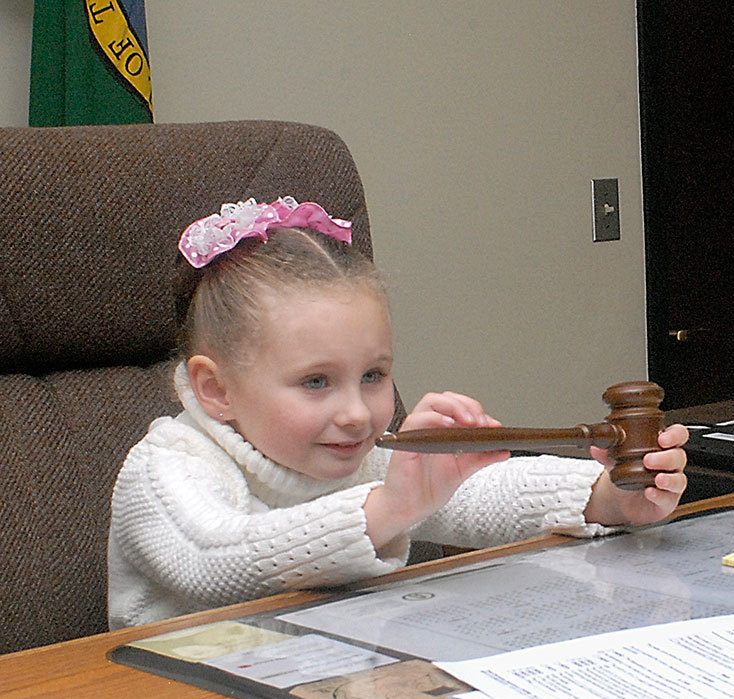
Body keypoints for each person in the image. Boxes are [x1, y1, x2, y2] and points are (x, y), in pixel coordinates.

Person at [107, 196, 689, 629]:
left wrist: (609, 497)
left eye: (374, 376)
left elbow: (472, 498)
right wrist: (392, 507)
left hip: (328, 674)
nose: (358, 413)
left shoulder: (351, 454)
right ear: (216, 390)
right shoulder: (163, 469)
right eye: (316, 382)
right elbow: (214, 562)